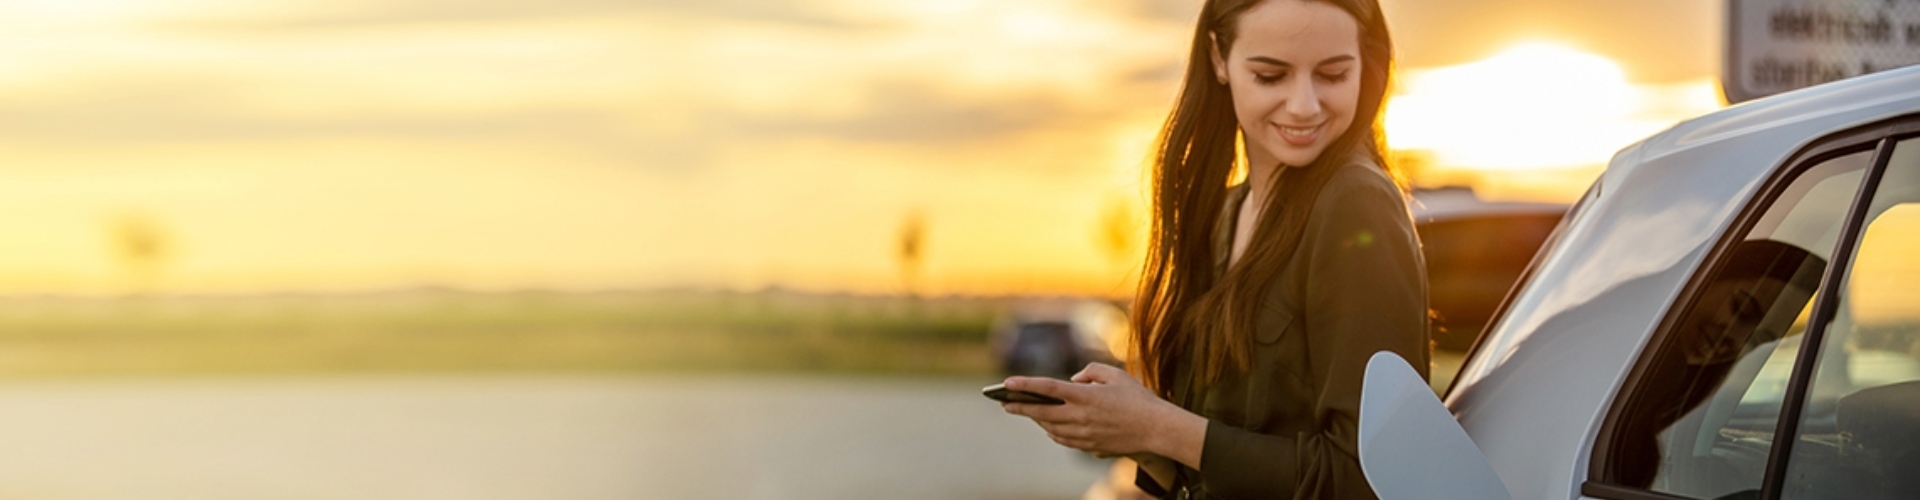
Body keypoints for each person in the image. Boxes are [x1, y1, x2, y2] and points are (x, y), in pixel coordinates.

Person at [998, 0, 1426, 498]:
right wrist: (1128, 429)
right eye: (1271, 76)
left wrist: (1160, 428)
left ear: (1365, 66)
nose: (1304, 104)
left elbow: (1371, 480)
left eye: (1332, 74)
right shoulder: (1226, 212)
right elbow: (1226, 452)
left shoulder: (1354, 206)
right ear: (1218, 58)